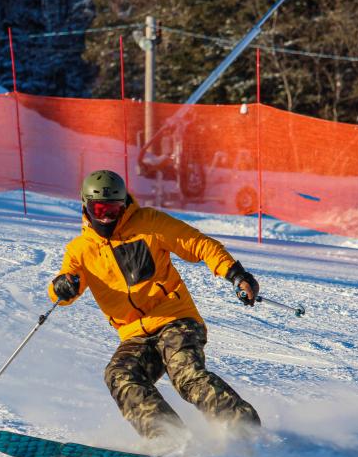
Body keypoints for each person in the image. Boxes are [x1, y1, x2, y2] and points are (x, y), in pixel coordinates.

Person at [48, 169, 261, 441]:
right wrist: (62, 287)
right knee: (120, 375)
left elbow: (199, 244)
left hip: (176, 319)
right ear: (85, 206)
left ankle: (245, 430)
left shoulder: (150, 223)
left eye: (113, 209)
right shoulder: (80, 250)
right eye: (99, 208)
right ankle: (167, 439)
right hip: (134, 334)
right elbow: (64, 290)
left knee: (186, 375)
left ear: (124, 204)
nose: (106, 217)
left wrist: (236, 274)